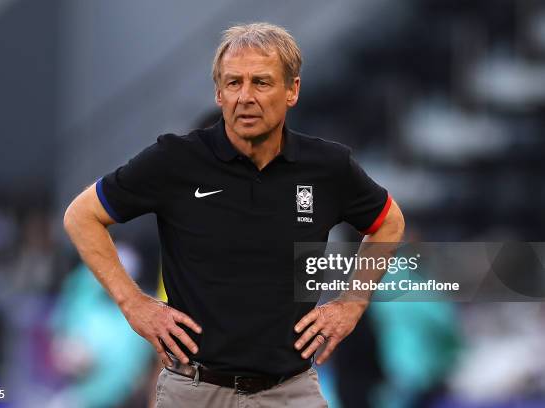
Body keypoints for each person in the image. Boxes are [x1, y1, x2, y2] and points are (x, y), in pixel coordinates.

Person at [64, 22, 404, 408]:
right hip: (194, 390)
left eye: (261, 82)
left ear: (292, 90)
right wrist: (133, 304)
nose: (245, 97)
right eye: (233, 83)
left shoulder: (327, 167)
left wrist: (353, 302)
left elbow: (389, 222)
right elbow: (81, 215)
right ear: (218, 93)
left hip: (290, 391)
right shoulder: (175, 160)